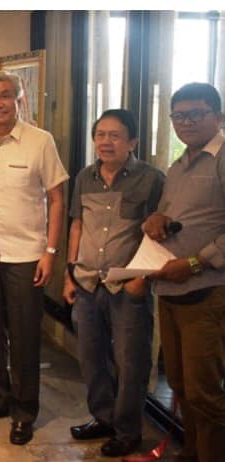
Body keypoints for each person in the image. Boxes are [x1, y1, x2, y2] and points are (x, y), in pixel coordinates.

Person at [0, 70, 68, 445]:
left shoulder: (40, 141)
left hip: (26, 255)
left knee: (24, 336)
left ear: (18, 98)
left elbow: (57, 199)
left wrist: (50, 252)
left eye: (5, 95)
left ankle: (24, 411)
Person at [63, 109, 165, 457]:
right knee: (91, 359)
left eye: (115, 135)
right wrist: (70, 273)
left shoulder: (151, 179)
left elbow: (159, 235)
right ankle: (103, 418)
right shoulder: (85, 177)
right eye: (100, 135)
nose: (106, 142)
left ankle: (128, 431)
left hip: (128, 286)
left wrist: (142, 277)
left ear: (132, 141)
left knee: (131, 362)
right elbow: (77, 226)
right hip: (87, 282)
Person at [142, 82, 225, 462]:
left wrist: (194, 263)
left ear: (218, 116)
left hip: (207, 292)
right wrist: (157, 218)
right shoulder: (178, 165)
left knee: (204, 392)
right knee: (179, 383)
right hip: (172, 292)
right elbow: (172, 213)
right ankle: (191, 453)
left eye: (196, 114)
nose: (186, 122)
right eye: (178, 116)